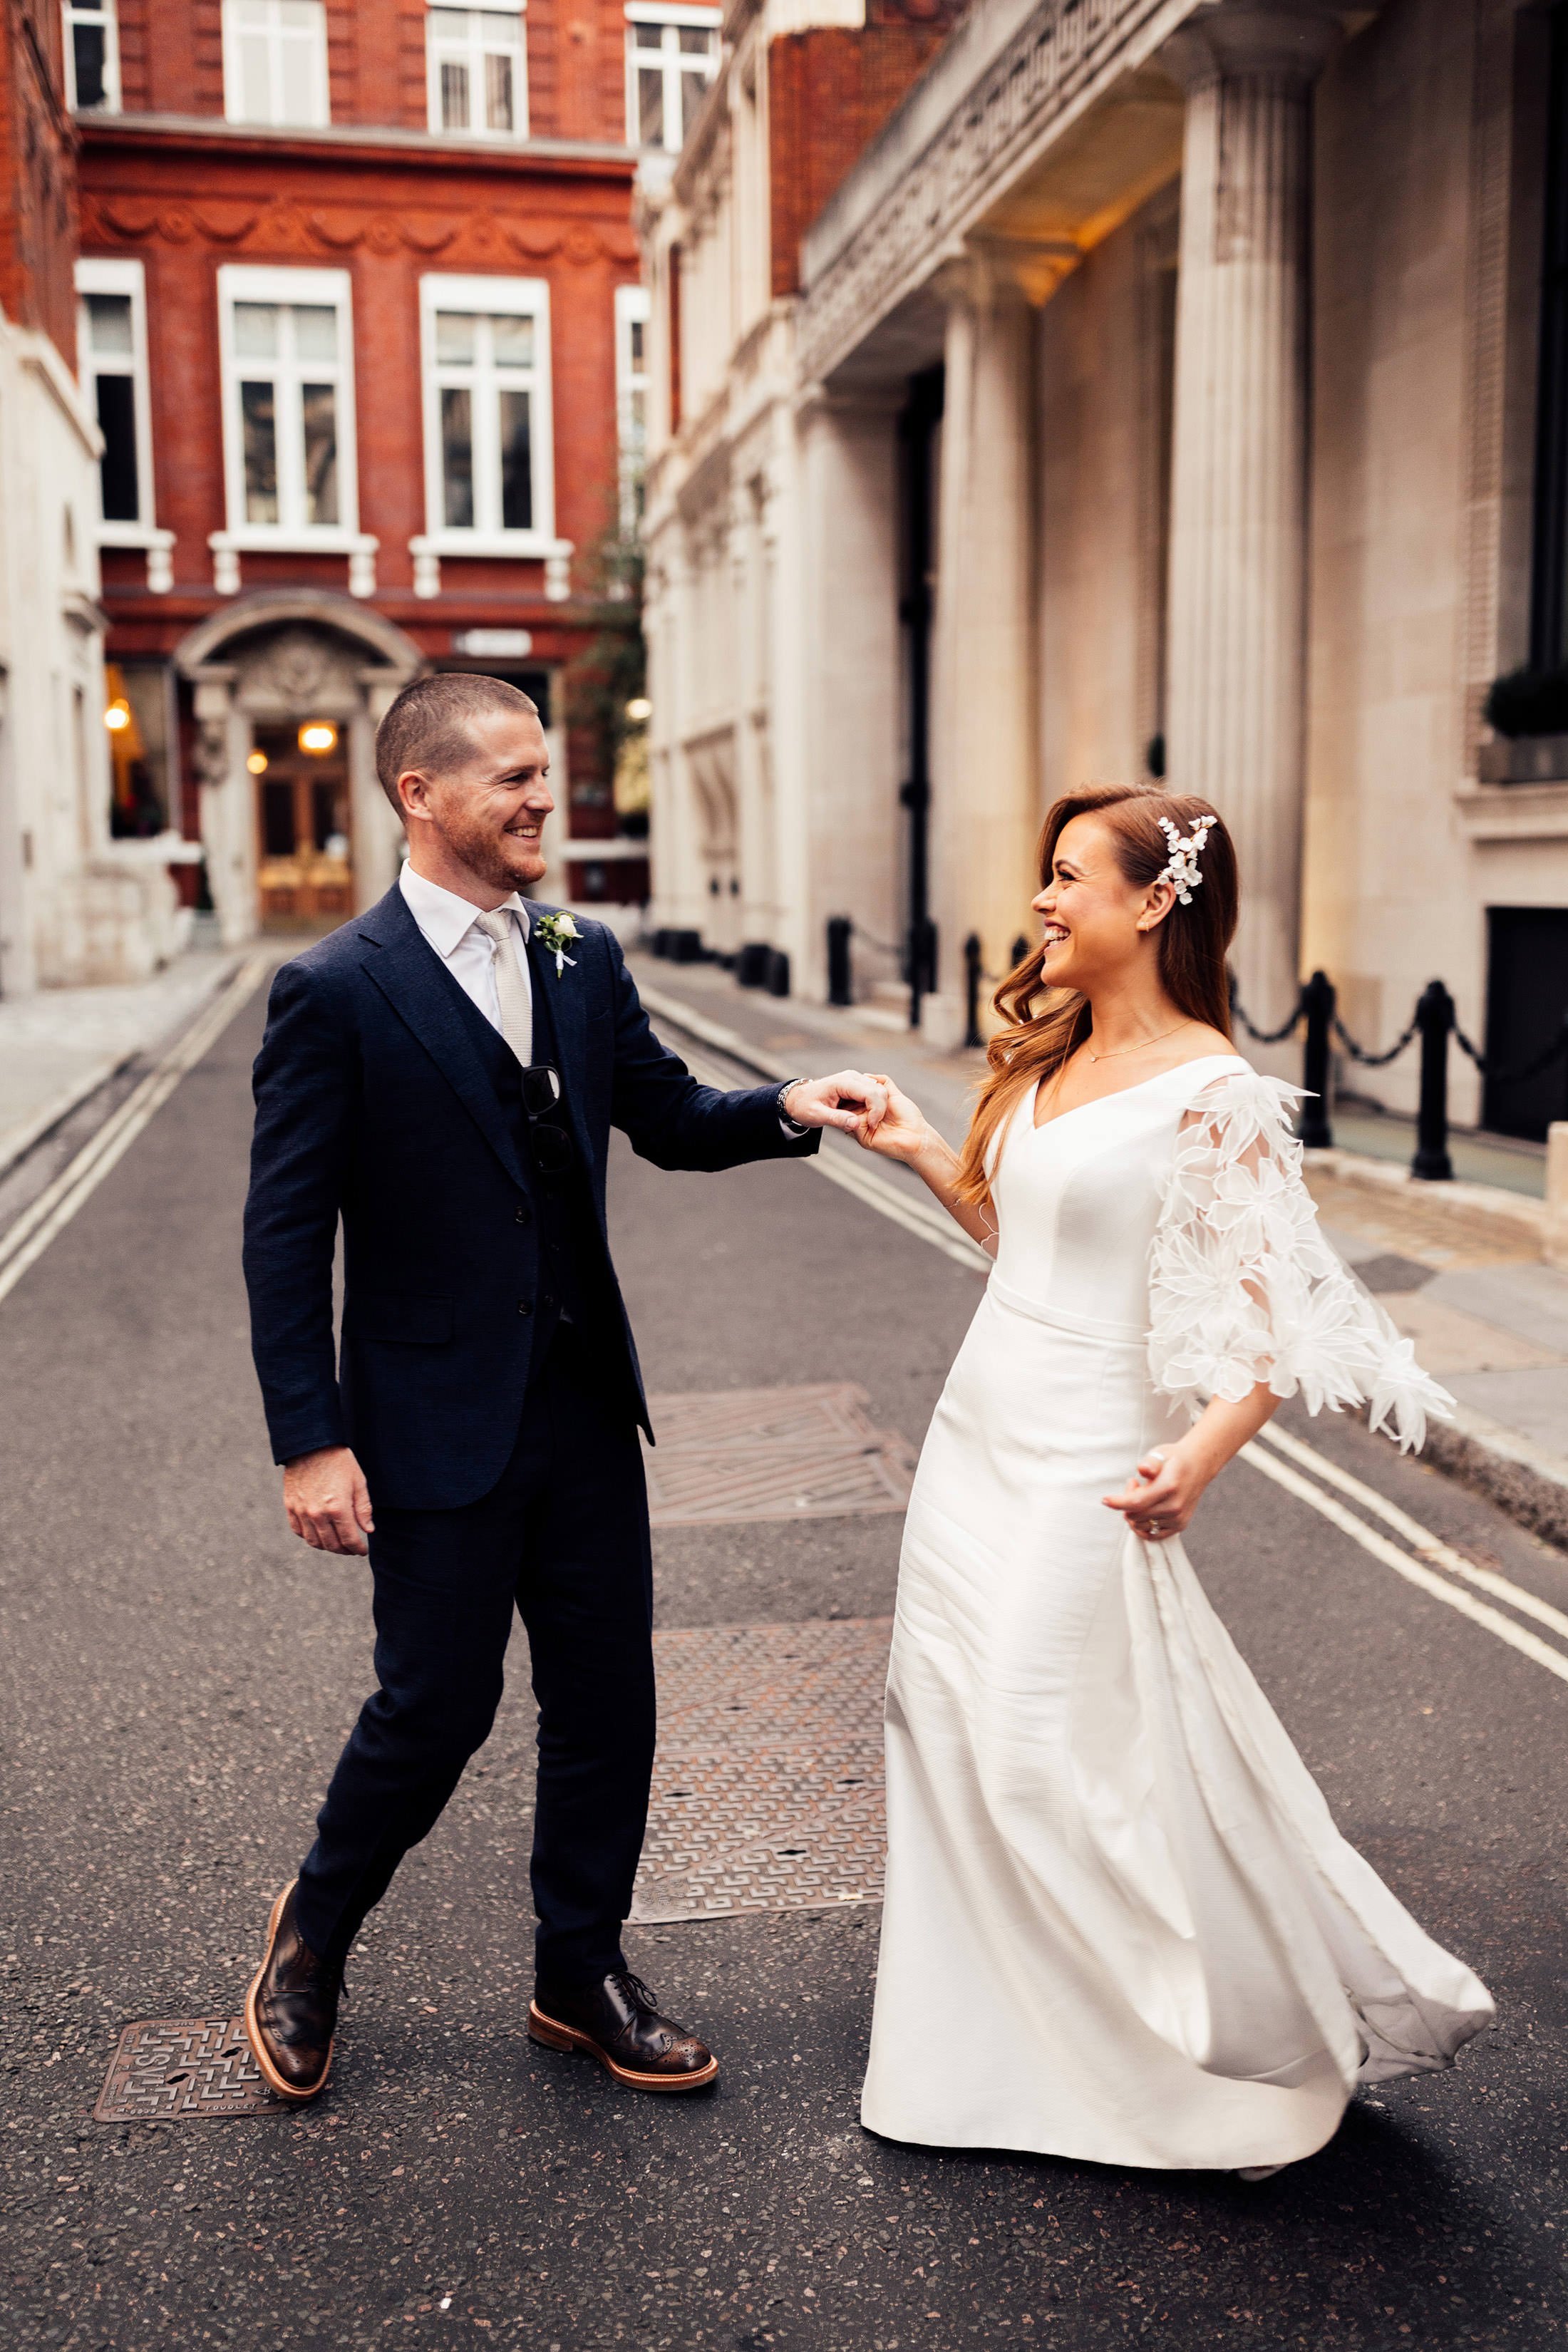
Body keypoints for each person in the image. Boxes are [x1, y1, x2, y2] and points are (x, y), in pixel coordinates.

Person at [240, 671, 887, 2105]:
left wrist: (787, 1106)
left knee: (609, 1701)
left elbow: (662, 1117)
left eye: (548, 775)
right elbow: (283, 1237)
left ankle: (574, 1968)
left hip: (584, 1406)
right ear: (418, 792)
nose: (545, 801)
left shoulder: (582, 956)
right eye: (511, 778)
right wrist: (309, 1442)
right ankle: (313, 1937)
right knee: (434, 1706)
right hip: (425, 1421)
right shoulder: (336, 990)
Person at [850, 783, 1493, 2176]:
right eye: (1044, 873)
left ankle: (1203, 2055)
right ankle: (983, 2069)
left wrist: (1194, 1456)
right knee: (940, 1724)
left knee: (1029, 1753)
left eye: (1067, 875)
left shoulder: (1214, 1092)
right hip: (975, 1440)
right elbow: (1022, 1243)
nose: (1041, 899)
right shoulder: (1042, 1058)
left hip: (1089, 1459)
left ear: (1153, 902)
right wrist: (916, 1146)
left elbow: (1269, 1332)